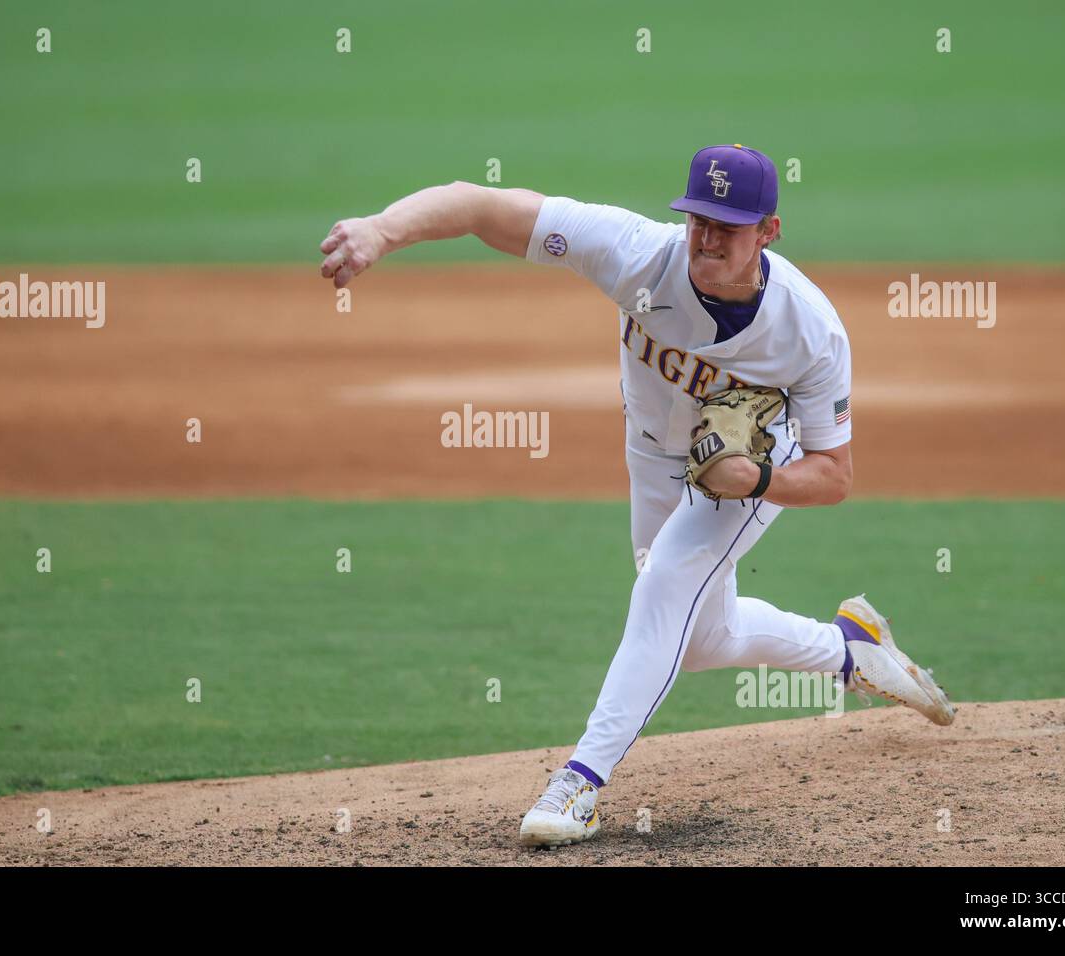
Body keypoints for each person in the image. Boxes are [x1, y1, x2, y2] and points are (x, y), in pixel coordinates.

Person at [318, 144, 955, 848]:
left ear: (768, 231)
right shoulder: (635, 254)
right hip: (653, 457)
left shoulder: (809, 330)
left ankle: (580, 785)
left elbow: (835, 476)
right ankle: (849, 650)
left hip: (752, 464)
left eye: (729, 227)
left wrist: (758, 481)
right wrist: (382, 228)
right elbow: (479, 204)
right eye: (699, 220)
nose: (707, 239)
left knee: (662, 590)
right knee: (702, 638)